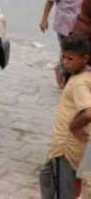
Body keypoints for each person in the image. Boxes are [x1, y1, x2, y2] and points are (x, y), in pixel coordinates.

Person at [40, 35, 91, 199]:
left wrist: (73, 127)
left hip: (65, 148)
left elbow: (89, 112)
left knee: (63, 189)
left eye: (70, 58)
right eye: (63, 57)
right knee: (47, 176)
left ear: (85, 58)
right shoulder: (83, 76)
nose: (65, 62)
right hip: (62, 147)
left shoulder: (79, 83)